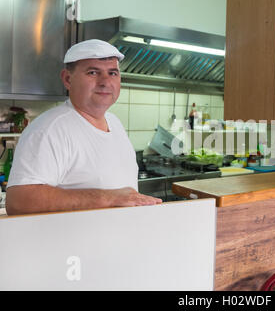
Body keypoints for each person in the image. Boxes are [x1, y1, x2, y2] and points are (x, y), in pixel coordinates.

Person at [5, 39, 162, 215]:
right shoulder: (50, 129)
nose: (105, 81)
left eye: (112, 73)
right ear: (67, 79)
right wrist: (108, 198)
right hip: (73, 242)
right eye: (93, 72)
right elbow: (18, 201)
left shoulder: (115, 123)